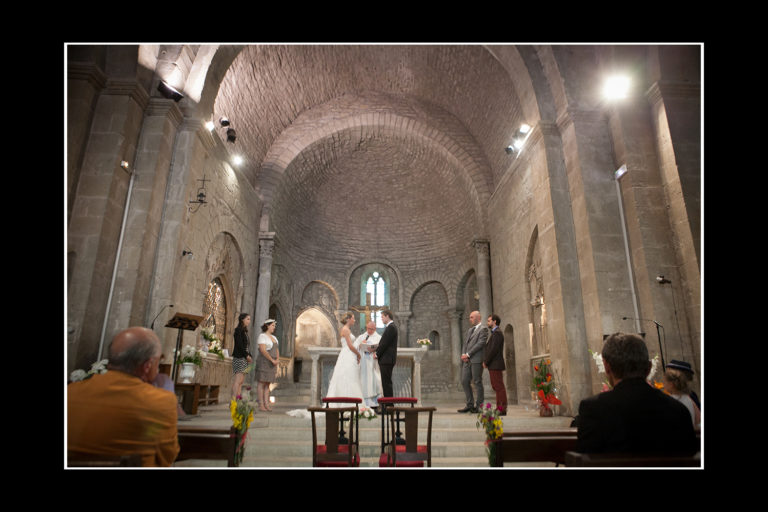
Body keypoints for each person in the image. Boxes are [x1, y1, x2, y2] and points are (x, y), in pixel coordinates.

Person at [67, 327, 180, 466]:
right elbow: (168, 456)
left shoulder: (70, 392)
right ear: (148, 366)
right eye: (159, 361)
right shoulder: (160, 401)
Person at [575, 332, 698, 455]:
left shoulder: (594, 409)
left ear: (607, 367)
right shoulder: (678, 410)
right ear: (649, 368)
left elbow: (586, 457)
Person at [326, 312, 365, 405]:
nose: (354, 320)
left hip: (349, 354)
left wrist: (359, 345)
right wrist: (358, 355)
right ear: (348, 319)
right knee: (347, 376)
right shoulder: (345, 330)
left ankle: (352, 400)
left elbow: (352, 345)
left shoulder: (347, 329)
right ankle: (346, 402)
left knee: (351, 376)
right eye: (353, 318)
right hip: (347, 355)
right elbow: (350, 346)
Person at [458, 310, 488, 413]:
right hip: (467, 360)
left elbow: (481, 343)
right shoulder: (470, 330)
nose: (470, 319)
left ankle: (479, 406)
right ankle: (469, 404)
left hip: (476, 359)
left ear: (478, 318)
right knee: (464, 381)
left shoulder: (483, 329)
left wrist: (468, 354)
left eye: (472, 317)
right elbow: (465, 344)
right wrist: (464, 354)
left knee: (477, 381)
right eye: (470, 317)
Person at [483, 314, 507, 415]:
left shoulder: (497, 333)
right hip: (494, 364)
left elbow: (493, 350)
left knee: (499, 387)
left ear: (494, 321)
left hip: (495, 364)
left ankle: (502, 408)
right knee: (497, 386)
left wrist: (486, 361)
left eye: (489, 321)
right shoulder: (495, 333)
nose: (487, 322)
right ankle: (499, 408)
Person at [255, 319, 280, 412]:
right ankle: (261, 404)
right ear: (267, 326)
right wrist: (271, 359)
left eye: (274, 326)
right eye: (272, 325)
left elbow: (276, 350)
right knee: (261, 383)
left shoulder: (274, 338)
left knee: (267, 384)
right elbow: (263, 350)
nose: (274, 327)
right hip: (264, 361)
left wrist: (277, 359)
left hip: (272, 363)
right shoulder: (262, 336)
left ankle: (267, 404)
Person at [357, 320, 383, 407]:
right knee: (363, 381)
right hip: (364, 363)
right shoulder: (362, 337)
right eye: (368, 328)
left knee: (375, 381)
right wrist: (360, 345)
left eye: (371, 329)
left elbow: (381, 348)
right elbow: (355, 347)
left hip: (373, 362)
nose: (369, 330)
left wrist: (375, 351)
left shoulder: (378, 337)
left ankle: (374, 403)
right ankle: (364, 403)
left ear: (375, 329)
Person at [375, 309, 398, 398]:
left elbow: (384, 343)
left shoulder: (391, 327)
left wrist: (377, 353)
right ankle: (388, 403)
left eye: (382, 317)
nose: (381, 319)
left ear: (387, 316)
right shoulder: (391, 327)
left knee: (386, 383)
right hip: (387, 359)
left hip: (387, 359)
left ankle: (389, 404)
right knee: (386, 383)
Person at [232, 313, 253, 399]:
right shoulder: (238, 330)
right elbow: (239, 345)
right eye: (247, 319)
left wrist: (249, 355)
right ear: (242, 319)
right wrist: (246, 355)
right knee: (238, 380)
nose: (249, 321)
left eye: (249, 319)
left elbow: (246, 346)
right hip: (239, 357)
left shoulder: (245, 331)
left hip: (244, 357)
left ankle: (238, 400)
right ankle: (233, 400)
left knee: (241, 381)